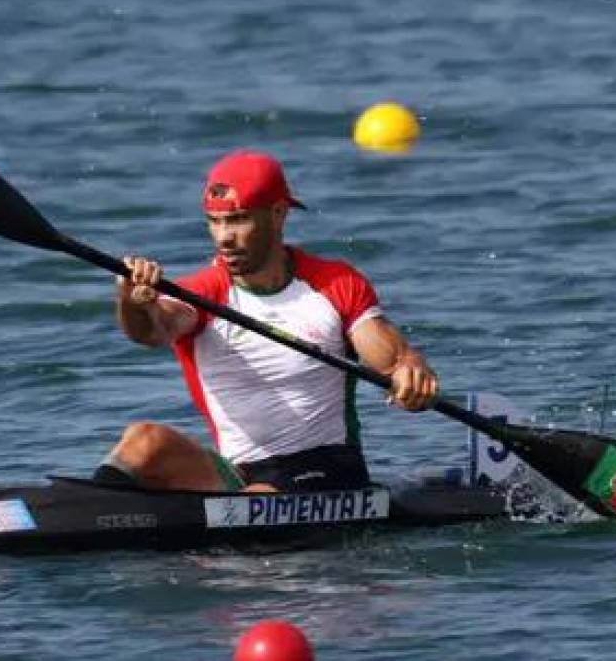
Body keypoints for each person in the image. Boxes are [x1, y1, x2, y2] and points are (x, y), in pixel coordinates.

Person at [92, 149, 439, 492]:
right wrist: (132, 301)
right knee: (144, 440)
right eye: (215, 222)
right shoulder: (202, 293)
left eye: (238, 219)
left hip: (329, 468)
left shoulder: (336, 284)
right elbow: (153, 330)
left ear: (277, 214)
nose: (224, 237)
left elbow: (391, 359)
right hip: (240, 474)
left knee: (258, 499)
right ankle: (88, 510)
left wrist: (409, 372)